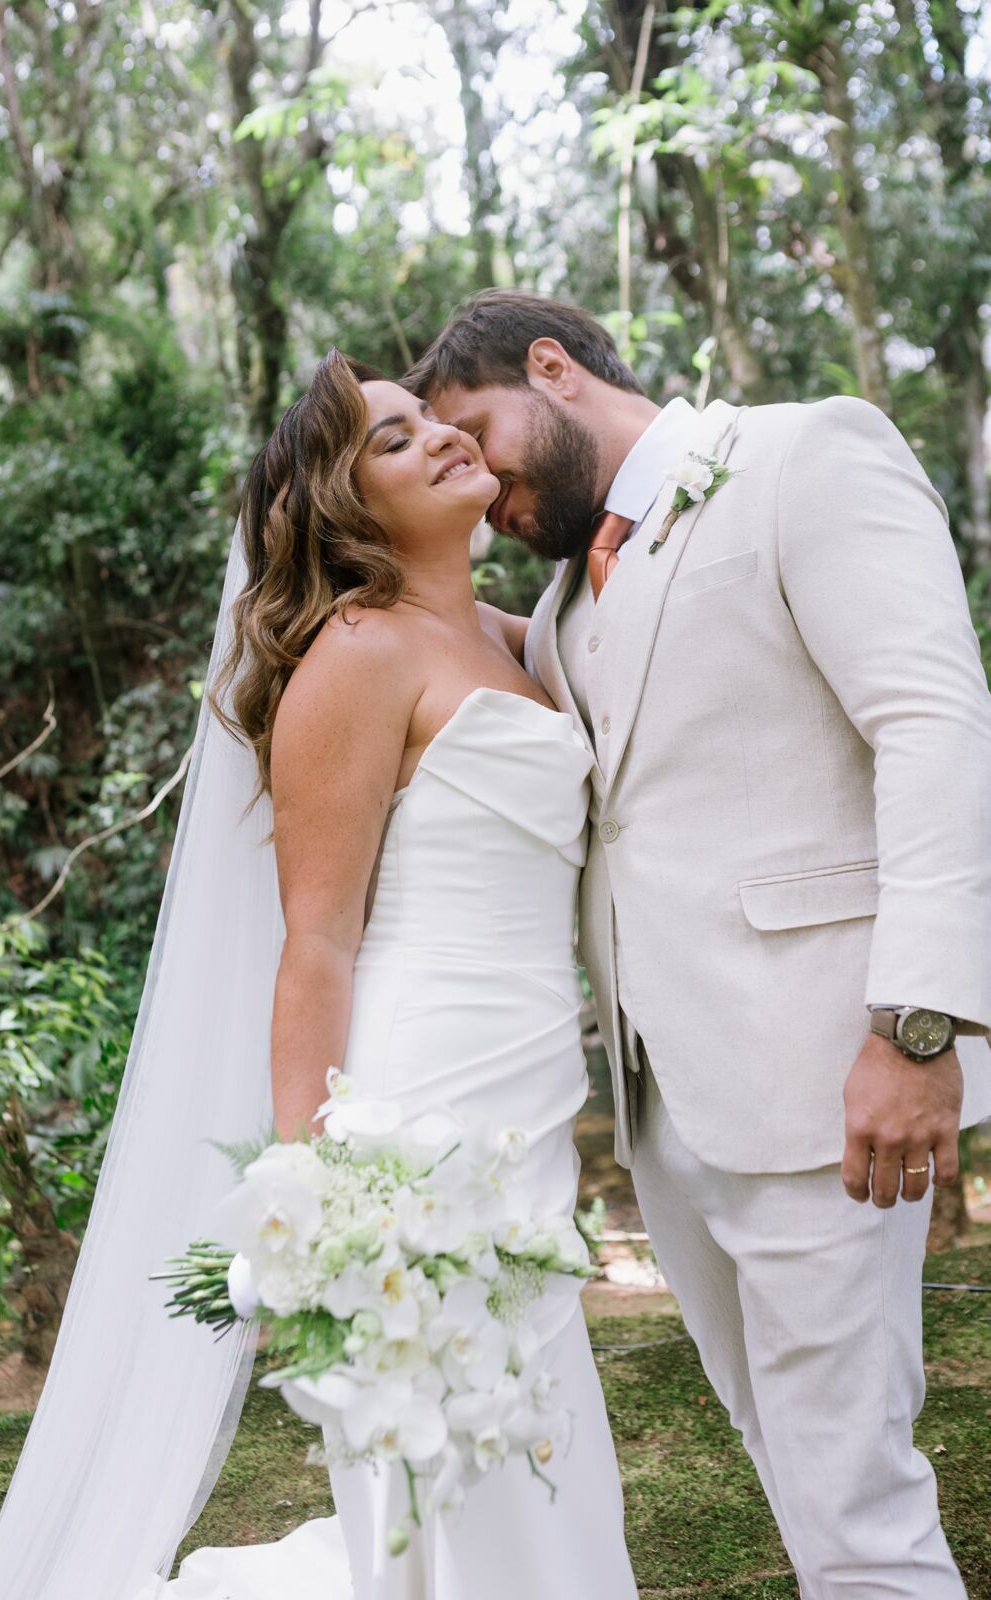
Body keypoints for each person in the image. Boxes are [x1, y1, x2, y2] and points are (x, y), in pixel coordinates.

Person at [406, 289, 991, 1600]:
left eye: (470, 436)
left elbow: (933, 726)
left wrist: (916, 1024)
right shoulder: (558, 608)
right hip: (662, 1110)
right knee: (782, 1463)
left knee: (852, 1488)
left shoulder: (802, 456)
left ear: (549, 369)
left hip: (825, 1081)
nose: (475, 484)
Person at [151, 349, 639, 1599]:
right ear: (342, 504)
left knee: (534, 1426)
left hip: (532, 1094)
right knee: (455, 1438)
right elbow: (314, 939)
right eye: (389, 439)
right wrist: (310, 1195)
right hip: (425, 1111)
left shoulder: (504, 634)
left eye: (430, 416)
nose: (437, 436)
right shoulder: (356, 657)